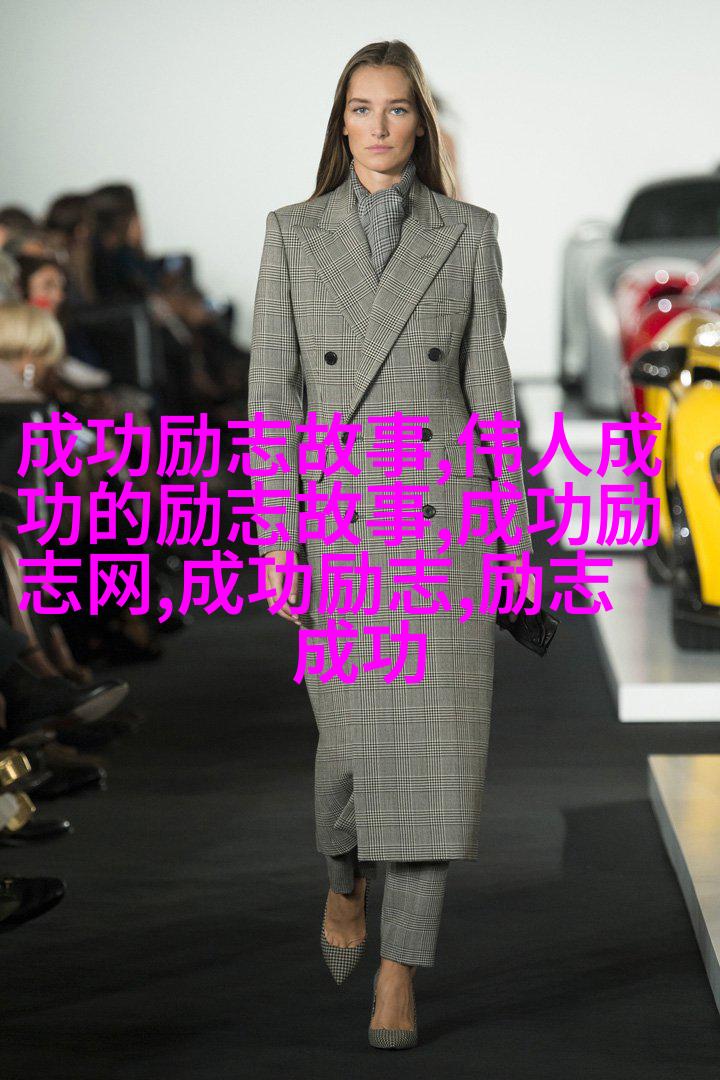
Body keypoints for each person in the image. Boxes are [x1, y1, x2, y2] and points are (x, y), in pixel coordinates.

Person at [248, 39, 536, 1050]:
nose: (378, 127)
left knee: (434, 763)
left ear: (422, 122)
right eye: (361, 109)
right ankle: (344, 879)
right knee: (345, 761)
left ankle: (399, 974)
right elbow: (274, 397)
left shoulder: (468, 234)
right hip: (336, 529)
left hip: (442, 530)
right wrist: (276, 538)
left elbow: (491, 391)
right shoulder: (292, 233)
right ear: (341, 123)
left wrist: (515, 538)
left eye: (397, 108)